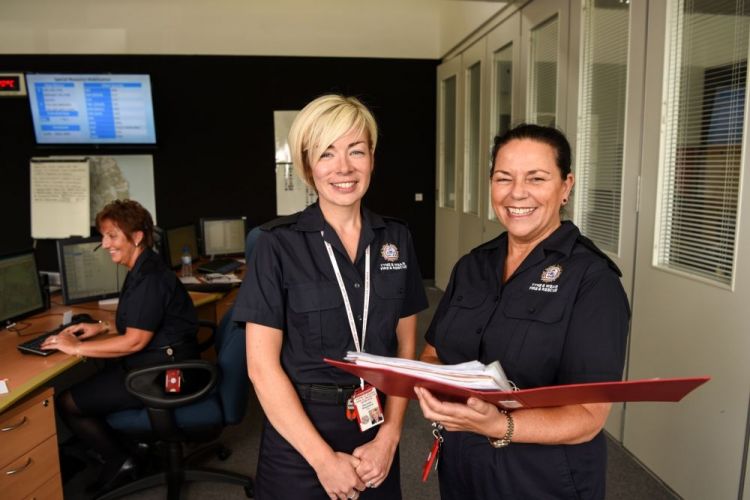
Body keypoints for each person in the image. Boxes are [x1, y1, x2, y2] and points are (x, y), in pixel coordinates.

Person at [415, 124, 630, 499]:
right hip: (464, 464)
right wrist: (431, 386)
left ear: (565, 187)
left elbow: (588, 417)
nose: (517, 193)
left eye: (537, 178)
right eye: (504, 178)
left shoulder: (593, 281)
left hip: (541, 478)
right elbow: (433, 352)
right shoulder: (472, 266)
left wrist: (500, 425)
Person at [233, 94, 428, 500]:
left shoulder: (397, 238)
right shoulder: (276, 245)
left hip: (374, 428)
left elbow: (406, 349)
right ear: (308, 166)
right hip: (299, 433)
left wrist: (390, 437)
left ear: (372, 158)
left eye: (356, 151)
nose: (343, 168)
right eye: (327, 153)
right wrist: (323, 461)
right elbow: (261, 368)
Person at [42, 199, 199, 493]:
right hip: (161, 362)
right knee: (94, 383)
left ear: (136, 236)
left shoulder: (149, 277)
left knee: (68, 403)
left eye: (112, 236)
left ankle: (120, 460)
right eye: (104, 236)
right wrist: (101, 327)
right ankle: (130, 449)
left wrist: (75, 347)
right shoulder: (143, 267)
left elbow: (135, 340)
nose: (104, 244)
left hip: (165, 374)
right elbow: (143, 321)